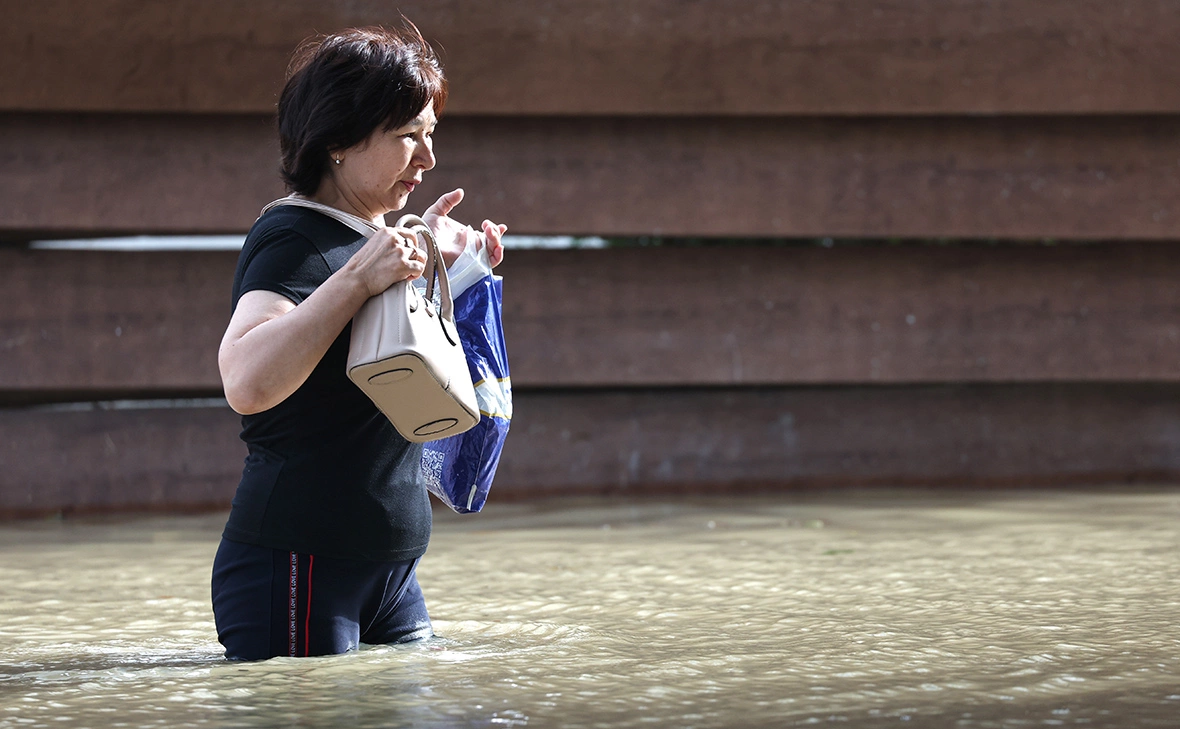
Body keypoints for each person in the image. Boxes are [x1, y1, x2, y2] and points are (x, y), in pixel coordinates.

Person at [210, 25, 507, 660]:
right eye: (408, 137)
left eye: (430, 135)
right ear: (340, 139)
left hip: (392, 572)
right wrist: (359, 276)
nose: (427, 158)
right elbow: (246, 381)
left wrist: (440, 262)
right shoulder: (292, 236)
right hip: (298, 565)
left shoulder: (371, 237)